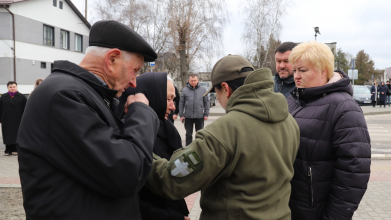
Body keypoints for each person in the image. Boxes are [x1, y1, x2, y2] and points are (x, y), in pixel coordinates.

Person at [17, 20, 160, 220]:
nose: (134, 82)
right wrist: (142, 112)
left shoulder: (86, 94)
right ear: (112, 59)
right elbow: (127, 172)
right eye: (134, 70)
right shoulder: (64, 96)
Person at [146, 55, 300, 220]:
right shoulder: (289, 121)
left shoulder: (225, 131)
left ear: (226, 88)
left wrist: (140, 153)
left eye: (216, 92)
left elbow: (171, 180)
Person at [287, 41, 371, 220]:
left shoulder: (344, 107)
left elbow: (353, 173)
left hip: (316, 211)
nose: (296, 76)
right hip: (289, 207)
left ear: (323, 71)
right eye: (295, 70)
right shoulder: (293, 100)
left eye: (302, 70)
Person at [116, 72, 189, 220]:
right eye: (168, 99)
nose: (173, 106)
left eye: (173, 99)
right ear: (148, 96)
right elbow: (129, 195)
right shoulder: (128, 130)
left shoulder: (167, 127)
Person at [179, 74, 210, 145]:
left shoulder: (203, 90)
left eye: (195, 80)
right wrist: (181, 115)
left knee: (199, 134)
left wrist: (206, 114)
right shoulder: (185, 90)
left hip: (199, 116)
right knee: (188, 134)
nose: (193, 82)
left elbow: (206, 102)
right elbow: (181, 103)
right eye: (191, 81)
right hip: (188, 117)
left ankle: (198, 148)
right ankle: (188, 148)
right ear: (188, 81)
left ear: (198, 80)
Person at [0, 81, 27, 156]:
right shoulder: (3, 97)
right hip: (6, 119)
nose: (12, 88)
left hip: (18, 119)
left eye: (14, 87)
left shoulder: (22, 97)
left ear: (17, 87)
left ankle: (15, 149)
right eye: (10, 87)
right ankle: (8, 150)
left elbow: (26, 109)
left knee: (17, 134)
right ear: (7, 88)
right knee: (7, 134)